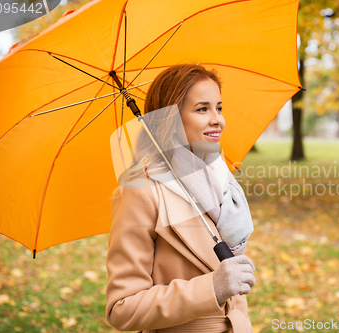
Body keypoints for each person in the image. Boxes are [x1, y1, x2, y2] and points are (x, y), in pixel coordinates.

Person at [105, 63, 256, 333]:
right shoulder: (140, 191)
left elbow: (234, 295)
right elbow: (122, 307)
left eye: (219, 108)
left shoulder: (220, 178)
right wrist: (212, 288)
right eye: (202, 109)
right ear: (170, 118)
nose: (217, 119)